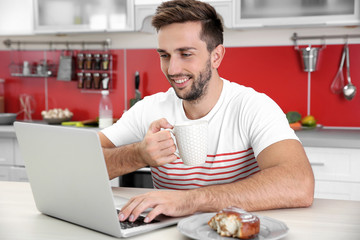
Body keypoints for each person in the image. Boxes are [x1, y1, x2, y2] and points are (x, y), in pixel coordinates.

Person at [99, 0, 314, 223]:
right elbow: (78, 163)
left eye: (186, 54)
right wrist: (138, 154)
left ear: (216, 56)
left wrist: (189, 201)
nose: (172, 69)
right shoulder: (148, 109)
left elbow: (299, 182)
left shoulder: (253, 106)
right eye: (165, 55)